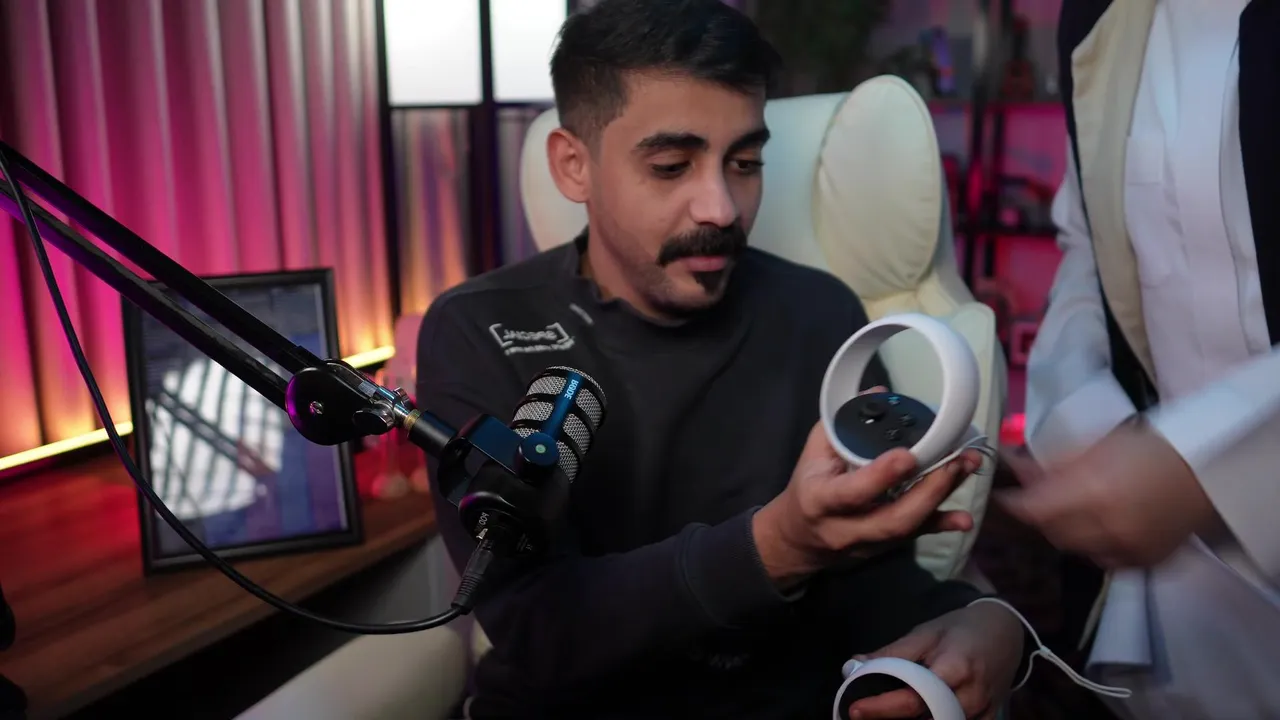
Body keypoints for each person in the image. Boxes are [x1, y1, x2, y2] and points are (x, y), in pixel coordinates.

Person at [415, 1, 1029, 718]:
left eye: (745, 163)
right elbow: (538, 628)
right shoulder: (481, 328)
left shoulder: (817, 312)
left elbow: (867, 578)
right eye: (671, 166)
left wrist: (986, 621)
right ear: (574, 165)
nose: (722, 208)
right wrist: (776, 545)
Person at [1000, 1, 1280, 718]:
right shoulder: (1103, 18)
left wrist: (1208, 465)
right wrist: (1087, 421)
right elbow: (1087, 244)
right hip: (1166, 579)